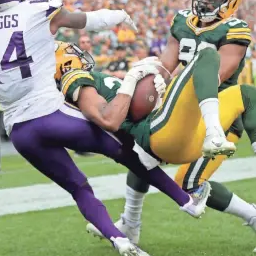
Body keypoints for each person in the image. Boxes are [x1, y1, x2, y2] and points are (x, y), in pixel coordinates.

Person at [0, 0, 157, 256]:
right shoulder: (37, 10)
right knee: (121, 142)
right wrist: (120, 15)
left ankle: (119, 238)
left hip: (17, 125)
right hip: (45, 107)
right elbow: (87, 21)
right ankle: (178, 195)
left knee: (78, 186)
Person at [56, 44, 256, 245]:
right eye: (71, 54)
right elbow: (111, 119)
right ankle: (214, 132)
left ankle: (131, 224)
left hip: (165, 137)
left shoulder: (87, 87)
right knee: (207, 54)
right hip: (159, 135)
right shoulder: (78, 86)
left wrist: (155, 95)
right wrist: (133, 82)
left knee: (244, 94)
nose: (80, 56)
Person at [112, 0, 256, 245]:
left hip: (221, 111)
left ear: (231, 1)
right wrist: (144, 76)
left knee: (187, 183)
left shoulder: (234, 29)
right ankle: (130, 222)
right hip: (184, 105)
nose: (204, 1)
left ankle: (251, 216)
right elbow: (167, 67)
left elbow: (217, 76)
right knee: (143, 150)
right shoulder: (182, 22)